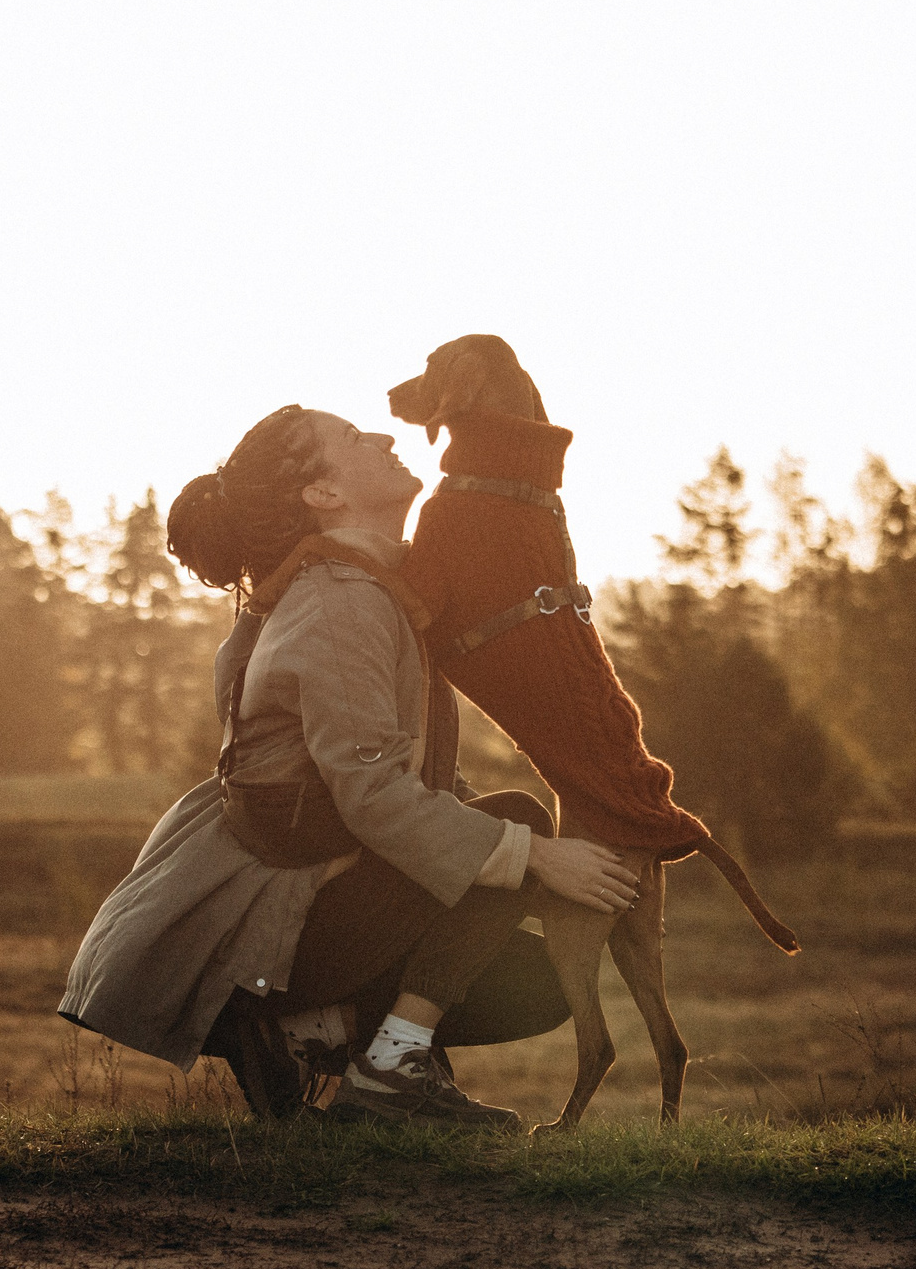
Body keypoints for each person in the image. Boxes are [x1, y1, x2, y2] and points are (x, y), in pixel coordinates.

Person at [58, 404, 640, 1127]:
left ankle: (311, 1034)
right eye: (354, 438)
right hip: (265, 930)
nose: (387, 436)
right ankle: (388, 1066)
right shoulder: (341, 603)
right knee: (516, 824)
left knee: (531, 979)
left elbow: (397, 778)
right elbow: (374, 799)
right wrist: (538, 856)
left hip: (303, 904)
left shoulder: (347, 589)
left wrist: (523, 854)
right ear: (322, 495)